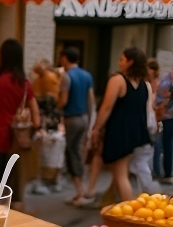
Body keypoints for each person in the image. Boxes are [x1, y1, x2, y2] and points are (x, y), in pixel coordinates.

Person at [84, 46, 154, 203]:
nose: (119, 62)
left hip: (119, 132)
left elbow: (106, 107)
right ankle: (114, 205)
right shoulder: (144, 84)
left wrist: (96, 128)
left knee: (121, 175)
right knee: (120, 173)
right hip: (136, 133)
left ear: (130, 62)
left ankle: (128, 212)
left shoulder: (117, 80)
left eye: (122, 59)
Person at [0, 39, 40, 193]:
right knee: (6, 186)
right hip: (13, 141)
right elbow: (36, 116)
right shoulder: (24, 83)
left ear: (2, 55)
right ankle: (3, 214)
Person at [57, 46, 96, 205]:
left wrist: (56, 102)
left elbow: (63, 101)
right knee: (78, 151)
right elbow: (91, 99)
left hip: (71, 118)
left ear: (65, 58)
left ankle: (80, 191)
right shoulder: (87, 75)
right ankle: (80, 191)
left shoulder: (66, 77)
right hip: (84, 117)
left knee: (72, 152)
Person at [154, 63, 173, 184]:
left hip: (168, 117)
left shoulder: (165, 81)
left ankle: (166, 172)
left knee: (167, 145)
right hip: (168, 118)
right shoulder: (166, 83)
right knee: (167, 145)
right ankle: (166, 172)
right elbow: (161, 101)